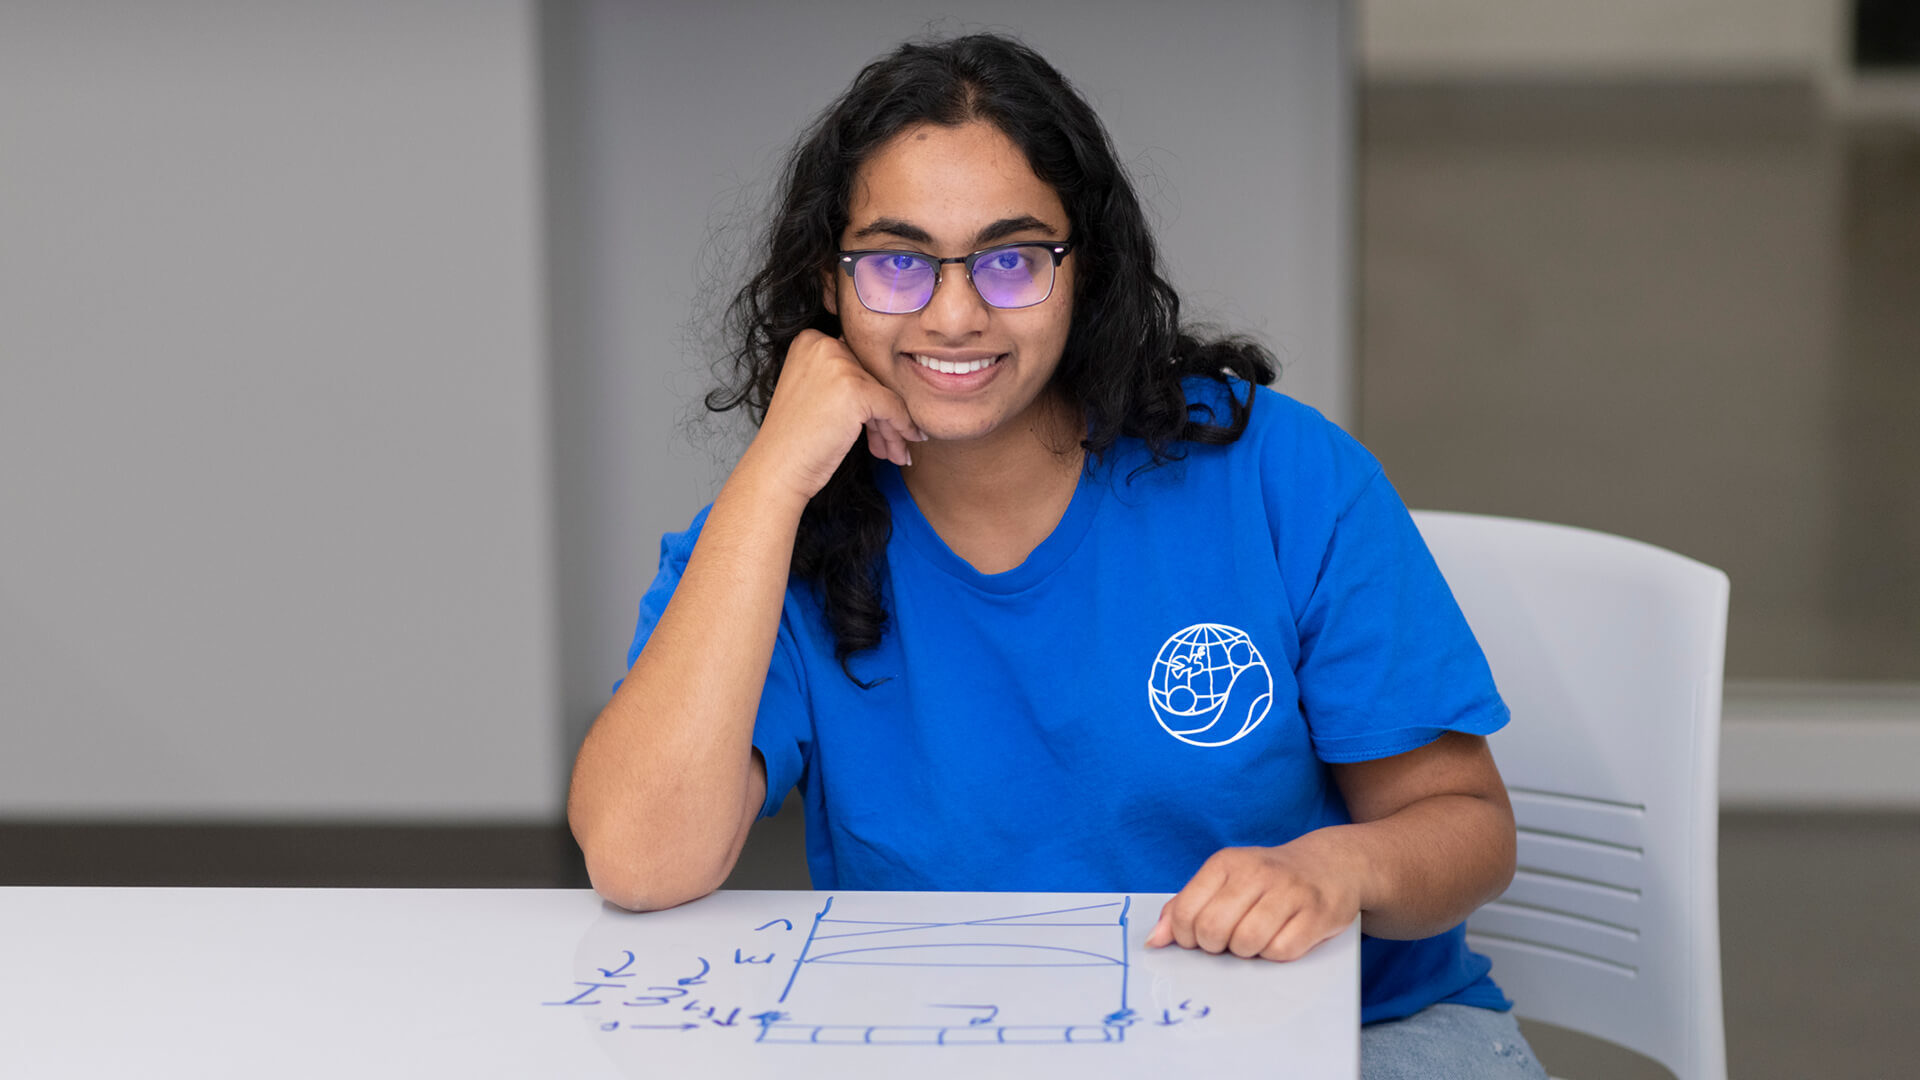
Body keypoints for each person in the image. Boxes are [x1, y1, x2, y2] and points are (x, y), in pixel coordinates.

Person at [567, 32, 1548, 1080]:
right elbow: (639, 857)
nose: (954, 313)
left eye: (1011, 258)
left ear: (1086, 268)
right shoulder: (778, 532)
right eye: (896, 261)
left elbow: (1467, 830)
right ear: (830, 283)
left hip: (1354, 1037)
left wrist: (1335, 868)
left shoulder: (1277, 472)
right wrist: (769, 477)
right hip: (964, 1048)